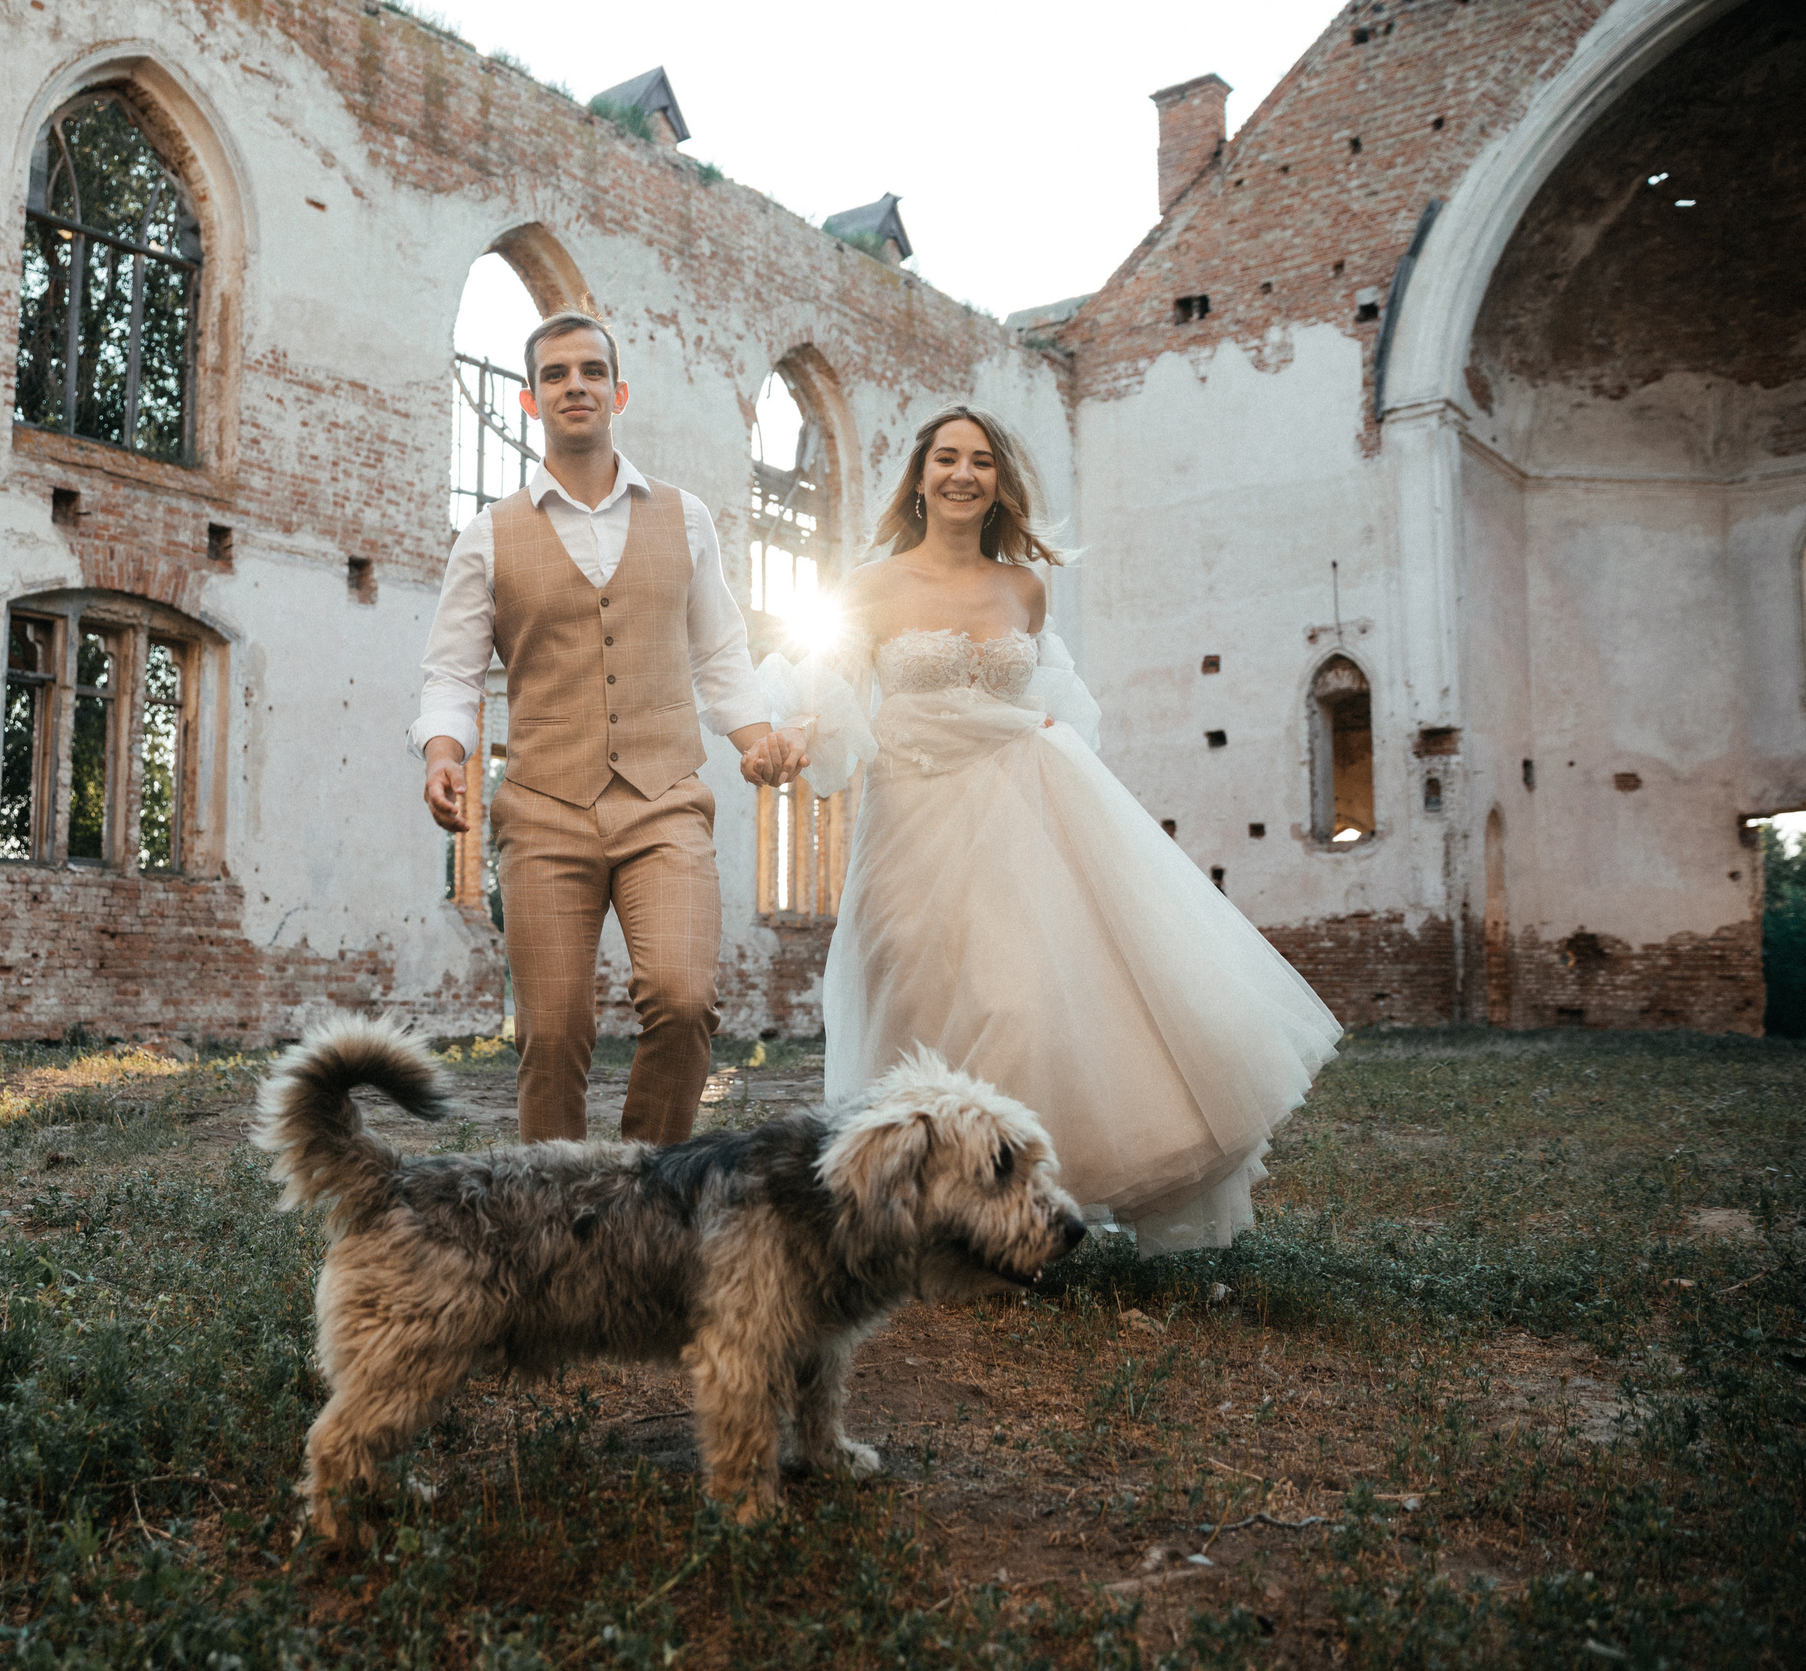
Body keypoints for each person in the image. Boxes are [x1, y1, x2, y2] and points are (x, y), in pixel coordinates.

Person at [745, 405, 1340, 1254]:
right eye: (945, 458)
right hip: (913, 812)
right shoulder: (873, 585)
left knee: (1017, 998)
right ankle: (919, 1202)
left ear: (999, 483)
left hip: (1018, 802)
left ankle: (1009, 1205)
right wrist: (792, 738)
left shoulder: (1025, 587)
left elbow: (1055, 705)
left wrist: (1073, 793)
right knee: (911, 991)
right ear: (919, 477)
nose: (962, 473)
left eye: (981, 460)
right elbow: (829, 685)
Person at [414, 311, 804, 1146]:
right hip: (543, 805)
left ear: (618, 392)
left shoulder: (685, 517)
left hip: (664, 798)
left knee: (685, 998)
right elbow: (451, 671)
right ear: (530, 400)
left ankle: (644, 1191)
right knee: (550, 1034)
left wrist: (753, 737)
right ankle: (553, 1218)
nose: (575, 385)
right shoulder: (487, 537)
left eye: (591, 371)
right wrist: (443, 753)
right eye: (555, 374)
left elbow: (721, 650)